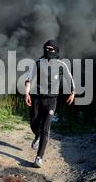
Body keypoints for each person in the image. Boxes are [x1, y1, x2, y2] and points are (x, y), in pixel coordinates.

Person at [25, 40, 75, 168]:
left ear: (56, 51)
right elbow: (28, 79)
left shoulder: (61, 65)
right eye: (46, 48)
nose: (48, 51)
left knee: (46, 128)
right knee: (34, 123)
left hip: (51, 100)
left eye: (51, 49)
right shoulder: (37, 63)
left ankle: (39, 158)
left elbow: (69, 79)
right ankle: (37, 135)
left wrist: (72, 93)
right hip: (36, 98)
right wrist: (27, 94)